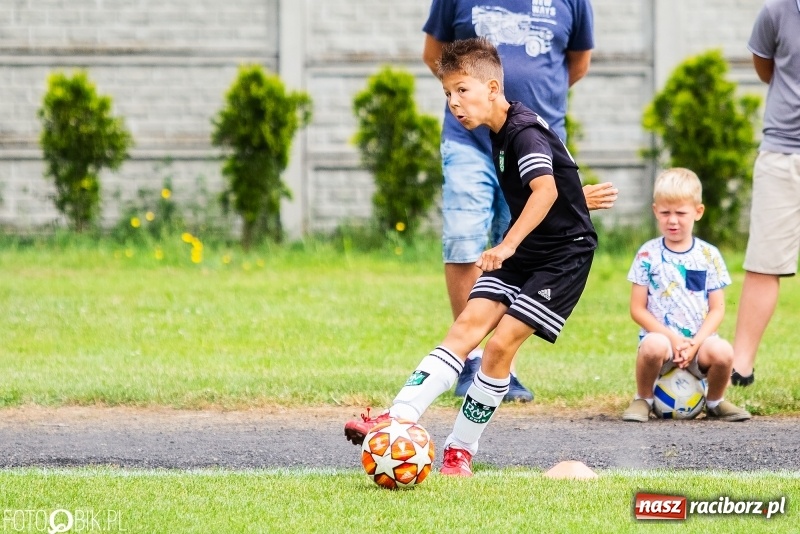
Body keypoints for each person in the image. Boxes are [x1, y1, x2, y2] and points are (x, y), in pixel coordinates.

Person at [345, 37, 598, 476]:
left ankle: (460, 450)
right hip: (530, 245)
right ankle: (397, 417)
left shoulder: (522, 132)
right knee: (466, 326)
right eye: (447, 94)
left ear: (493, 88)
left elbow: (546, 189)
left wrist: (507, 245)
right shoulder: (499, 133)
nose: (454, 103)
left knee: (499, 347)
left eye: (462, 90)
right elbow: (554, 188)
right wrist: (577, 199)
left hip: (561, 257)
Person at [422, 0, 618, 402]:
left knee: (515, 246)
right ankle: (470, 359)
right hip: (469, 142)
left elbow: (576, 64)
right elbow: (434, 55)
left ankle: (499, 365)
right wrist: (469, 100)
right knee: (464, 239)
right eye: (450, 94)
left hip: (532, 138)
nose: (453, 98)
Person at [622, 168, 751, 423]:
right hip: (664, 345)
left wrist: (695, 343)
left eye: (680, 213)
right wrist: (673, 339)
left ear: (698, 212)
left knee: (724, 351)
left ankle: (715, 401)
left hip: (699, 345)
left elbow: (717, 309)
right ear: (654, 210)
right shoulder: (647, 255)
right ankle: (643, 399)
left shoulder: (709, 255)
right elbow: (637, 309)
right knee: (652, 345)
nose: (672, 220)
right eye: (665, 212)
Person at [731, 0, 800, 387]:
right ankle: (740, 365)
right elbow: (765, 69)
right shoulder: (775, 12)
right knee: (764, 261)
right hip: (783, 151)